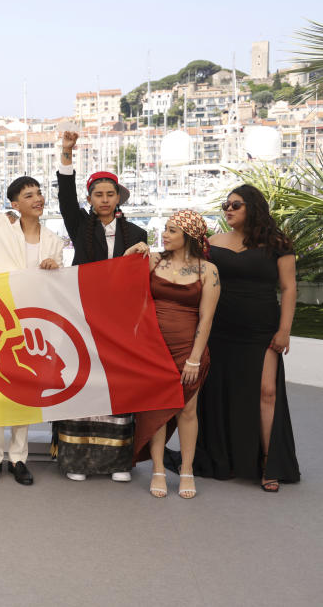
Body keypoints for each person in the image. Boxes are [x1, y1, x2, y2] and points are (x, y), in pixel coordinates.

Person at [0, 132, 65, 487]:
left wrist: (57, 266)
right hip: (0, 319)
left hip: (35, 324)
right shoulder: (2, 228)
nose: (37, 199)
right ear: (14, 203)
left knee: (25, 391)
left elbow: (62, 283)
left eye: (39, 193)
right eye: (29, 195)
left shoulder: (54, 239)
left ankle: (19, 458)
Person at [189, 185, 300, 491]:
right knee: (219, 391)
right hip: (220, 329)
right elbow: (189, 272)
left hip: (261, 330)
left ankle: (269, 461)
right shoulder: (212, 243)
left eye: (235, 205)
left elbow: (289, 288)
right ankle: (222, 457)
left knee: (267, 392)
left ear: (252, 207)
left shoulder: (277, 243)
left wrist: (284, 330)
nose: (228, 209)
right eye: (226, 205)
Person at [53, 131, 147, 483]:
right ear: (90, 199)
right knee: (83, 381)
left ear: (118, 197)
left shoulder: (137, 233)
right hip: (82, 314)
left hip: (120, 321)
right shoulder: (80, 227)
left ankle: (117, 462)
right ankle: (77, 459)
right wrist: (66, 154)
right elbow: (64, 198)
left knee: (116, 385)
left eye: (110, 194)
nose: (105, 200)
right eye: (98, 194)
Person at [125, 211, 219, 498]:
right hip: (153, 349)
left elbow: (206, 318)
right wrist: (132, 250)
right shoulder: (153, 261)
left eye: (172, 230)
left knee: (188, 410)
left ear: (188, 236)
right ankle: (157, 469)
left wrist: (194, 357)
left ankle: (186, 470)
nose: (164, 234)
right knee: (156, 411)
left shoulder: (208, 271)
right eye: (165, 229)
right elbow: (120, 278)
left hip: (188, 349)